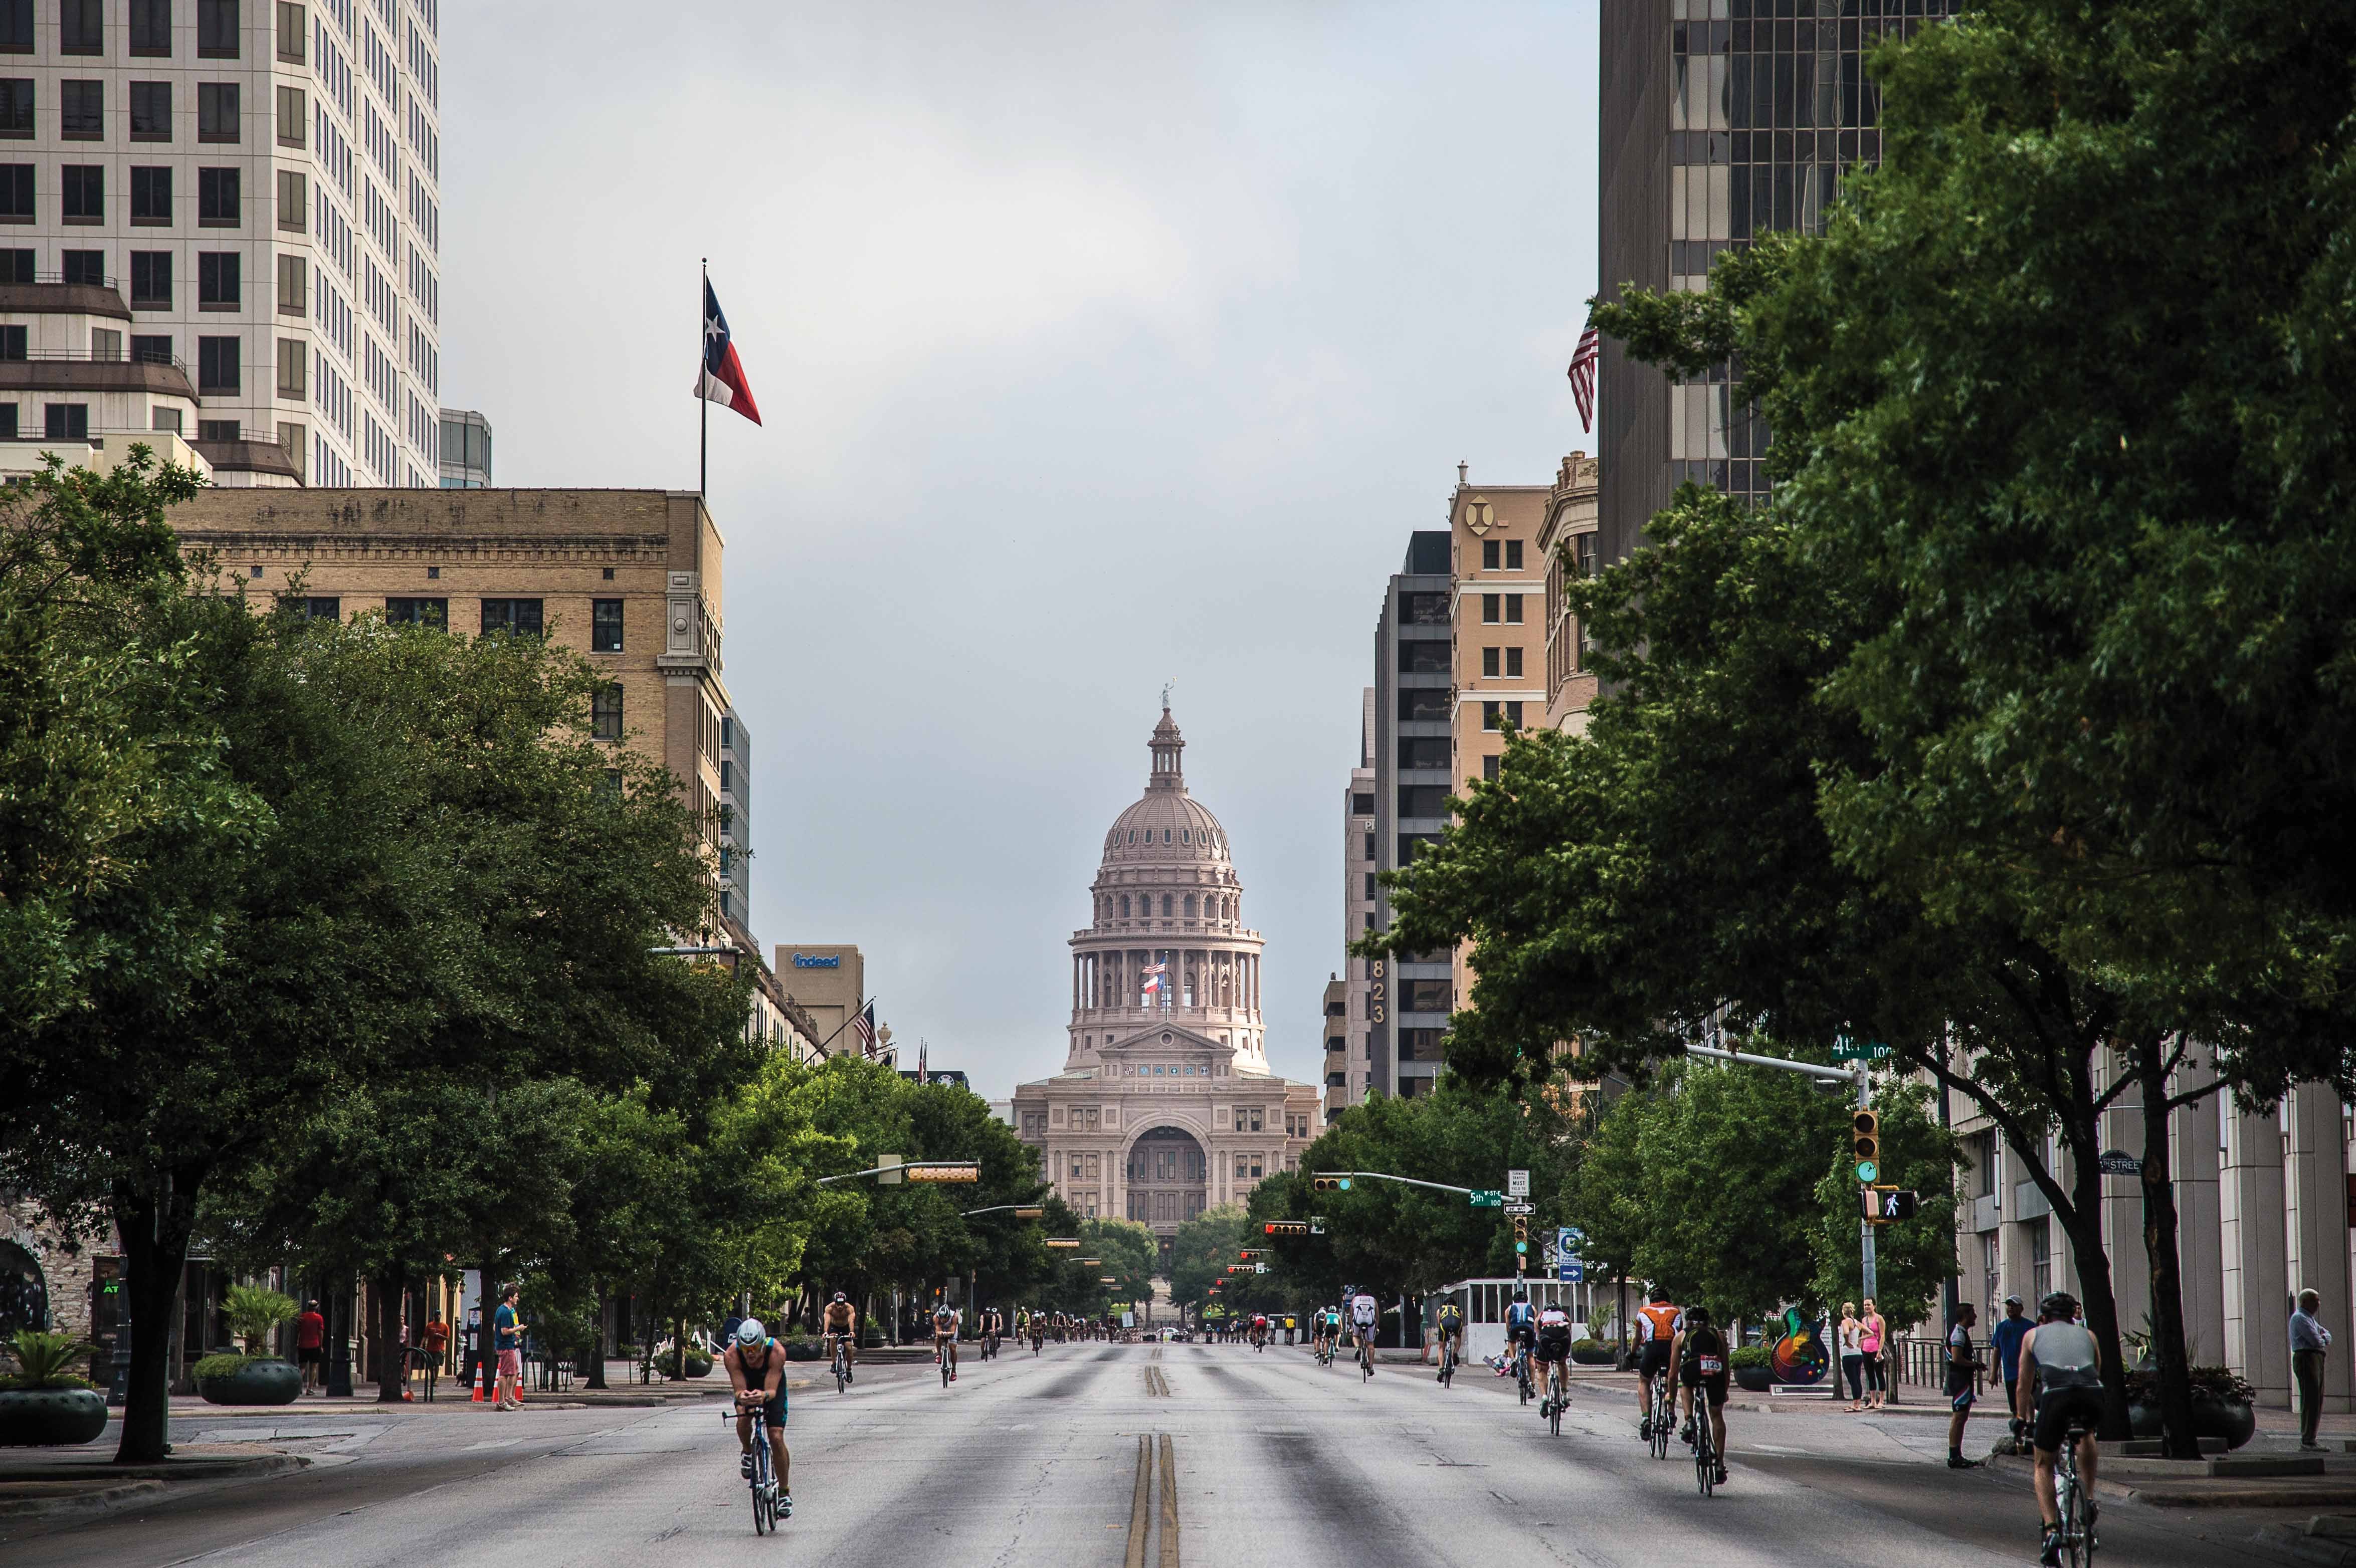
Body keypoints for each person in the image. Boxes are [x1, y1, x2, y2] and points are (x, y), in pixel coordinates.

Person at [2015, 1292, 2103, 1568]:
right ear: (2072, 1315)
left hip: (2056, 1395)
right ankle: (2088, 1498)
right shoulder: (2089, 1335)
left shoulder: (2033, 1335)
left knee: (2043, 1463)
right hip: (2091, 1392)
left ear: (2043, 1317)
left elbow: (2023, 1385)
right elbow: (2096, 1371)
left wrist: (2021, 1419)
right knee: (2087, 1434)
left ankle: (2052, 1530)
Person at [723, 1317, 791, 1518]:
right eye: (746, 1350)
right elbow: (738, 1390)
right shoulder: (732, 1355)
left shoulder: (776, 1352)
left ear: (763, 1344)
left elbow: (771, 1391)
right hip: (748, 1384)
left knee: (776, 1436)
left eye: (755, 1349)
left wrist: (764, 1396)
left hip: (772, 1386)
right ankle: (747, 1452)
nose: (750, 1354)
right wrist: (742, 1397)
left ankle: (785, 1494)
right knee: (743, 1418)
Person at [1671, 1305, 1731, 1486]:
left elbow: (1673, 1373)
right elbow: (1726, 1367)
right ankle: (1719, 1464)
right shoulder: (1718, 1336)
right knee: (1716, 1415)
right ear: (1708, 1322)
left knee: (1685, 1384)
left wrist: (1671, 1398)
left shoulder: (1681, 1336)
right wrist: (1724, 1390)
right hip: (1715, 1372)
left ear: (1688, 1322)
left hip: (1692, 1368)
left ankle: (1689, 1420)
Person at [1634, 1287, 1682, 1439]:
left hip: (1652, 1348)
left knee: (1644, 1381)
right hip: (1671, 1348)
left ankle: (1646, 1418)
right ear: (1668, 1300)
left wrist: (1632, 1352)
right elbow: (1679, 1334)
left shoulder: (1643, 1311)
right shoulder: (1676, 1311)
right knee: (1671, 1378)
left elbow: (1637, 1338)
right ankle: (1671, 1412)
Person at [2293, 1287, 2334, 1450]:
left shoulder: (2309, 1319)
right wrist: (2323, 1338)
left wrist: (2323, 1338)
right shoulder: (2300, 1319)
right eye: (2315, 1300)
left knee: (2316, 1399)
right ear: (2305, 1302)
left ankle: (2311, 1438)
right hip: (2307, 1358)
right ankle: (2307, 1440)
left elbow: (2327, 1335)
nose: (2319, 1304)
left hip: (2314, 1358)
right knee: (2311, 1399)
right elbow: (2317, 1340)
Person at [1945, 1302, 1983, 1467]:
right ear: (1966, 1316)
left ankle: (1957, 1454)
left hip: (1962, 1378)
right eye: (1973, 1313)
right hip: (1960, 1380)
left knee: (1962, 1417)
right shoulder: (1959, 1335)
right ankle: (1954, 1456)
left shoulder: (1962, 1333)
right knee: (1959, 1417)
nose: (1975, 1317)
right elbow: (1956, 1359)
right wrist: (1974, 1365)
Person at [1988, 1294, 2031, 1434]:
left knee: (2028, 1401)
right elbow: (1997, 1350)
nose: (2010, 1308)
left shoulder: (2030, 1327)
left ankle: (2030, 1428)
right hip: (2010, 1373)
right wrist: (1993, 1373)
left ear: (2021, 1308)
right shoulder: (2002, 1327)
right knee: (2014, 1406)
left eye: (2014, 1305)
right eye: (2008, 1305)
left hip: (2027, 1372)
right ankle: (2018, 1434)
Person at [1534, 1296, 1575, 1413]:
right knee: (1562, 1364)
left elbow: (1538, 1334)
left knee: (1542, 1370)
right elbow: (1569, 1331)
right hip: (1563, 1339)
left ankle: (1545, 1397)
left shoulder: (1541, 1315)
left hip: (1546, 1338)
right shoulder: (1564, 1315)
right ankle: (1564, 1395)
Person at [492, 1283, 527, 1411]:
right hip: (506, 1346)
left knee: (514, 1370)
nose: (518, 1298)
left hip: (505, 1345)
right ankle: (502, 1401)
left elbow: (495, 1327)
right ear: (510, 1298)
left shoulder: (500, 1310)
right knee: (505, 1373)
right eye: (516, 1296)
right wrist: (518, 1329)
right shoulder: (506, 1312)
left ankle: (509, 1397)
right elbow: (504, 1331)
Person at [820, 1291, 858, 1384]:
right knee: (832, 1339)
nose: (840, 1307)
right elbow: (827, 1321)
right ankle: (834, 1364)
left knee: (849, 1347)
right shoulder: (830, 1308)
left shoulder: (849, 1308)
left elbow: (851, 1320)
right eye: (838, 1304)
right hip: (834, 1327)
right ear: (835, 1303)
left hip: (846, 1328)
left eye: (842, 1304)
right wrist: (825, 1332)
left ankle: (849, 1370)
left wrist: (852, 1331)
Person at [1859, 1296, 1888, 1410]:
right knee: (1870, 1375)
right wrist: (1860, 1348)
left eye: (1869, 1305)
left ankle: (1882, 1400)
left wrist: (1880, 1351)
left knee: (1879, 1374)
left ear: (1874, 1306)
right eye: (1865, 1305)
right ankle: (1873, 1401)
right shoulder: (1864, 1320)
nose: (1867, 1307)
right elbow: (1863, 1335)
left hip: (1877, 1351)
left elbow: (1883, 1335)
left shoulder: (1879, 1319)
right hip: (1866, 1349)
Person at [294, 1299, 326, 1396]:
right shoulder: (319, 1318)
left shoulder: (302, 1317)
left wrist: (297, 1342)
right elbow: (320, 1333)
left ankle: (299, 1388)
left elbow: (298, 1331)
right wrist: (321, 1346)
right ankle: (310, 1388)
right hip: (314, 1345)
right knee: (314, 1368)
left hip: (303, 1345)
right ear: (316, 1308)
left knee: (302, 1367)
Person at [1838, 1302, 1864, 1410]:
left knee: (1852, 1381)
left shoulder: (1845, 1322)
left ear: (1843, 1312)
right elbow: (1871, 1332)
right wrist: (1860, 1340)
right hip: (1858, 1354)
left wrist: (1847, 1342)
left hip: (1849, 1355)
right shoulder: (1858, 1323)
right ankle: (1858, 1403)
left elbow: (1846, 1333)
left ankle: (1855, 1405)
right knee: (1857, 1380)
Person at [419, 1312, 450, 1403]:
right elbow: (425, 1336)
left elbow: (448, 1338)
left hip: (439, 1349)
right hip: (430, 1348)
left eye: (439, 1315)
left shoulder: (445, 1326)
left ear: (441, 1316)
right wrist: (422, 1344)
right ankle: (432, 1375)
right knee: (429, 1364)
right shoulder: (430, 1326)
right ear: (434, 1317)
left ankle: (435, 1379)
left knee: (436, 1364)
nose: (437, 1317)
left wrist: (440, 1336)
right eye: (436, 1315)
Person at [1348, 1287, 1380, 1371]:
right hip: (1370, 1321)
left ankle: (1358, 1348)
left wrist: (1351, 1327)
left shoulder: (1355, 1300)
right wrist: (1376, 1328)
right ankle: (1371, 1367)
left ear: (1359, 1294)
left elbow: (1351, 1315)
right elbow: (1377, 1317)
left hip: (1358, 1320)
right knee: (1370, 1344)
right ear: (1368, 1294)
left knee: (1356, 1336)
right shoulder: (1373, 1300)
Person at [1434, 1296, 1465, 1380]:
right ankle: (1455, 1353)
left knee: (1441, 1348)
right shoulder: (1459, 1310)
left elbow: (1439, 1322)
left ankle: (1441, 1370)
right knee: (1458, 1336)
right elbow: (1462, 1321)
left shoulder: (1440, 1310)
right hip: (1457, 1324)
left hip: (1445, 1325)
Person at [931, 1298, 961, 1382]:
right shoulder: (936, 1317)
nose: (943, 1320)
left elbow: (953, 1331)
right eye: (942, 1318)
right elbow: (938, 1329)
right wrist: (941, 1333)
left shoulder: (954, 1317)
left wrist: (950, 1333)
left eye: (945, 1318)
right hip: (942, 1328)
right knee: (938, 1337)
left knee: (952, 1348)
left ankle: (954, 1371)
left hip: (951, 1328)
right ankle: (939, 1355)